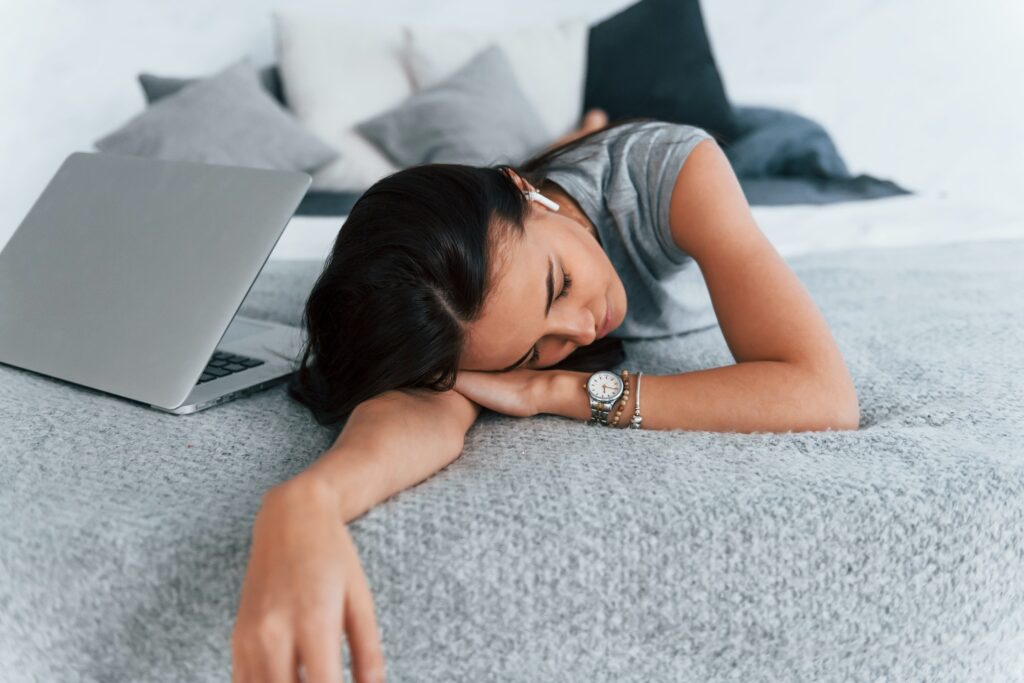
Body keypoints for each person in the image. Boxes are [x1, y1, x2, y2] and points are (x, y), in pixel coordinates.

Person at [230, 108, 860, 683]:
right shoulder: (460, 299)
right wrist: (308, 502)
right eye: (534, 349)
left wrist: (558, 386)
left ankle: (584, 128)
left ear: (530, 197)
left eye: (559, 286)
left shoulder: (677, 172)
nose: (583, 329)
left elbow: (822, 394)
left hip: (638, 153)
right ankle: (570, 137)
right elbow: (422, 406)